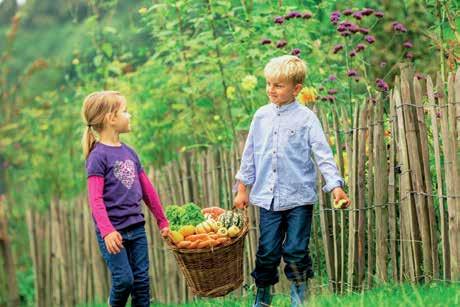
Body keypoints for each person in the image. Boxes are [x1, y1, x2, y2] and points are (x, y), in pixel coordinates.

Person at [233, 55, 350, 307]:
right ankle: (262, 299)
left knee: (296, 250)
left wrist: (336, 186)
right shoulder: (261, 116)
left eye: (278, 85)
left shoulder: (306, 119)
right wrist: (243, 188)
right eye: (268, 84)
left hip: (299, 199)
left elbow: (322, 153)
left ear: (296, 89)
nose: (270, 90)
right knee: (267, 252)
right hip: (268, 199)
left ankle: (299, 299)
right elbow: (249, 154)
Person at [81, 91, 169, 307]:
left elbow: (148, 191)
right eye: (125, 111)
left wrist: (162, 220)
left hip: (137, 228)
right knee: (124, 281)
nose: (129, 115)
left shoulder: (130, 153)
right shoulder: (97, 157)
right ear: (111, 118)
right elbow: (95, 200)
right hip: (113, 233)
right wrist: (108, 230)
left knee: (141, 284)